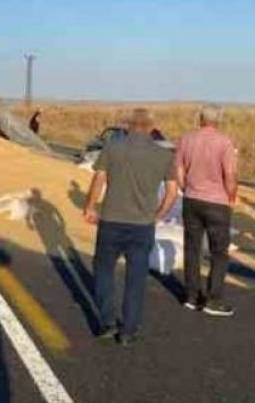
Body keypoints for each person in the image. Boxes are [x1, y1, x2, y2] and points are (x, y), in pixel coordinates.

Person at [84, 108, 178, 346]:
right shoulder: (164, 155)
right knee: (136, 278)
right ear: (151, 128)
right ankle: (128, 330)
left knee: (103, 270)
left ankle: (107, 322)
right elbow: (172, 192)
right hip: (142, 225)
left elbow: (99, 179)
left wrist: (90, 206)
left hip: (112, 221)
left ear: (128, 125)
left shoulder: (113, 148)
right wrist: (158, 215)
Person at [175, 104, 238, 317]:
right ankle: (213, 299)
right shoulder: (225, 142)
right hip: (217, 201)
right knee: (219, 252)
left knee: (192, 248)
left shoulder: (186, 139)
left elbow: (179, 169)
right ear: (218, 120)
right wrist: (231, 197)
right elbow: (229, 174)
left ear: (200, 118)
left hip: (192, 198)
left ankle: (191, 296)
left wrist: (186, 188)